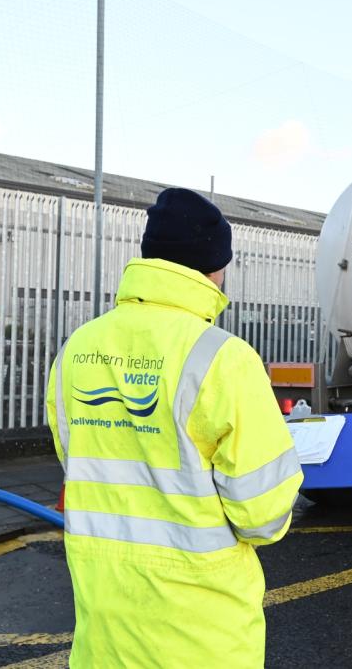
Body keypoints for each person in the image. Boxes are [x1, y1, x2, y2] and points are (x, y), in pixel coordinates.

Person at [47, 187, 302, 668]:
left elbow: (77, 458)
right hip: (200, 638)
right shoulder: (224, 357)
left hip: (103, 636)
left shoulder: (76, 348)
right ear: (215, 267)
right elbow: (262, 515)